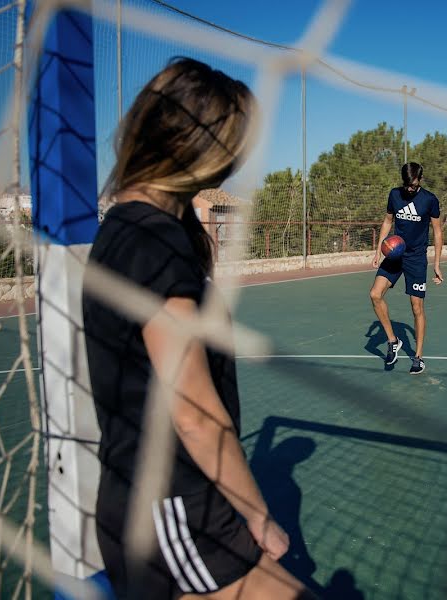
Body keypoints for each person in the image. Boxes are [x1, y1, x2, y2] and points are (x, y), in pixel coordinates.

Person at [82, 57, 313, 599]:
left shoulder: (129, 226)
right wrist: (257, 516)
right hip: (177, 508)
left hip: (164, 500)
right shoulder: (154, 244)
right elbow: (194, 413)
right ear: (199, 151)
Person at [369, 162, 444, 374]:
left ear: (420, 179)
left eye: (412, 185)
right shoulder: (394, 195)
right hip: (395, 254)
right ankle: (393, 341)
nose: (409, 189)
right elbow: (387, 222)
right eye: (406, 185)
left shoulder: (430, 200)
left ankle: (418, 358)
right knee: (375, 294)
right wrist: (378, 251)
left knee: (416, 307)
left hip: (416, 259)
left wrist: (437, 263)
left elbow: (437, 232)